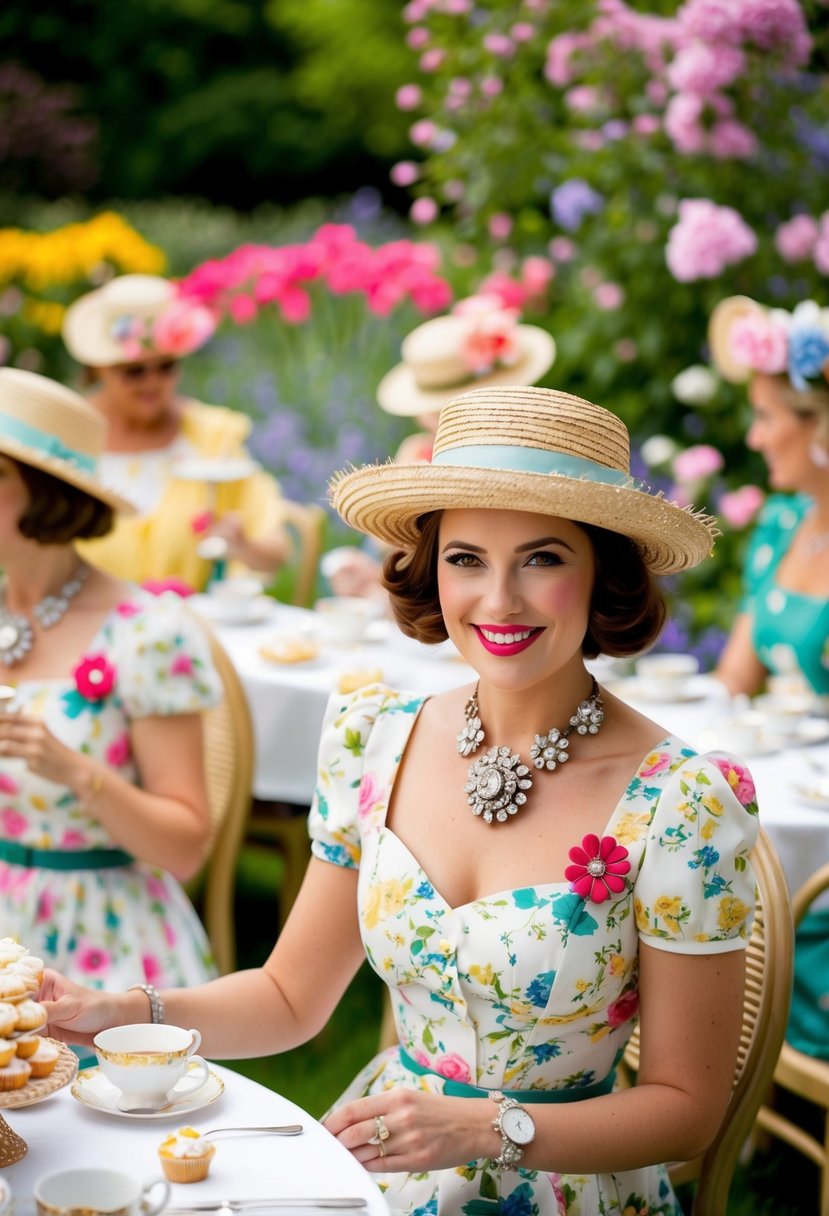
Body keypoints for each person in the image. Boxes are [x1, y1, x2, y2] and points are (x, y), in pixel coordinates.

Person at [40, 386, 760, 1216]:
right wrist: (130, 1013)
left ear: (602, 571)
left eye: (543, 558)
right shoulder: (372, 739)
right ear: (431, 569)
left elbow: (687, 1109)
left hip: (571, 1189)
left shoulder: (681, 804)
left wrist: (493, 1129)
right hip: (382, 1159)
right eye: (466, 560)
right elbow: (289, 998)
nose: (498, 602)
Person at [0, 367, 221, 993]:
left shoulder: (147, 633)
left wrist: (75, 771)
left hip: (103, 944)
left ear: (49, 493)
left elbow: (185, 849)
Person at [61, 273, 291, 594]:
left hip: (186, 629)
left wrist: (241, 545)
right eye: (134, 371)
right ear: (99, 367)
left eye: (166, 367)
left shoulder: (211, 436)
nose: (153, 382)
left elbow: (276, 552)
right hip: (83, 629)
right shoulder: (67, 431)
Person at [326, 295, 556, 600]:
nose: (443, 422)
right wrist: (375, 569)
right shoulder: (418, 451)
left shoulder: (519, 457)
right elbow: (390, 543)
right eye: (438, 413)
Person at [709, 295, 829, 699]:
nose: (753, 438)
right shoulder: (782, 522)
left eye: (764, 416)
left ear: (819, 424)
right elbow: (735, 679)